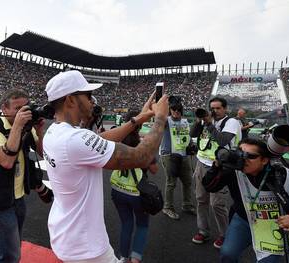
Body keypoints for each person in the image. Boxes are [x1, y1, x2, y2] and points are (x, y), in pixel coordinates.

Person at [43, 70, 168, 263]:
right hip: (86, 248)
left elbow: (99, 140)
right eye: (87, 95)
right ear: (70, 100)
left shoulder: (56, 131)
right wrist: (160, 118)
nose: (93, 100)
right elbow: (142, 157)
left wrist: (139, 119)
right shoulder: (74, 139)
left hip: (66, 234)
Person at [202, 138, 289, 262]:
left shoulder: (279, 174)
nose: (244, 160)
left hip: (273, 223)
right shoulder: (233, 171)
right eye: (240, 154)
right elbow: (209, 186)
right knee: (227, 254)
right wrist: (216, 166)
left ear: (264, 160)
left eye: (251, 156)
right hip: (245, 219)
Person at [0, 89, 52, 263]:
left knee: (14, 246)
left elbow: (43, 153)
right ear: (4, 109)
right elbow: (6, 161)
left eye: (25, 107)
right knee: (10, 254)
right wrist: (19, 126)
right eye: (18, 108)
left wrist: (38, 130)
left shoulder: (28, 126)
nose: (24, 112)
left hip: (19, 197)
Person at [190, 97, 242, 248]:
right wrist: (199, 120)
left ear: (225, 108)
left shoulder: (231, 122)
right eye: (212, 108)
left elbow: (222, 141)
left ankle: (225, 235)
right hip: (201, 163)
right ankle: (203, 230)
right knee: (201, 199)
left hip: (220, 167)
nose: (214, 111)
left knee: (217, 204)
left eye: (218, 108)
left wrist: (209, 124)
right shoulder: (206, 120)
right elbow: (193, 134)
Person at [110, 110, 158, 263]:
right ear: (141, 123)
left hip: (117, 189)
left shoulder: (117, 140)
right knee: (142, 225)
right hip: (137, 192)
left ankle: (123, 258)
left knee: (126, 224)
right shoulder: (141, 144)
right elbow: (154, 170)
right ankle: (135, 259)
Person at [160, 102, 195, 220]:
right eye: (173, 110)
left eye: (178, 110)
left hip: (184, 155)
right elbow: (159, 118)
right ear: (170, 110)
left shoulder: (185, 122)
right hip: (169, 155)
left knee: (188, 181)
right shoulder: (166, 121)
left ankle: (187, 205)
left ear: (182, 111)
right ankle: (167, 207)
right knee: (171, 182)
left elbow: (187, 137)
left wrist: (191, 145)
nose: (176, 112)